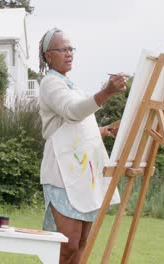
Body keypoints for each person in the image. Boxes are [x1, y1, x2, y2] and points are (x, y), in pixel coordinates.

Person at [38, 27, 127, 264]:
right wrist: (107, 91)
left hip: (83, 174)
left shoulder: (71, 85)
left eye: (70, 49)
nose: (69, 53)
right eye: (62, 49)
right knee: (67, 246)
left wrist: (102, 130)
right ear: (48, 56)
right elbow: (72, 112)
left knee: (81, 245)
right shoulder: (50, 83)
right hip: (62, 174)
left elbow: (76, 127)